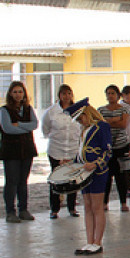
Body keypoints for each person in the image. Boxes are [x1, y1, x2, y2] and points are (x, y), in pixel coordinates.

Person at [66, 99, 111, 255]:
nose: (80, 121)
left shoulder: (102, 127)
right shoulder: (83, 130)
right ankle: (89, 241)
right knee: (87, 205)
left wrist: (96, 163)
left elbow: (108, 151)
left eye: (80, 117)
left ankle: (97, 242)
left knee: (97, 206)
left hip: (97, 172)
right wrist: (72, 163)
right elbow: (80, 152)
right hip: (84, 173)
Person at [0, 80, 38, 223]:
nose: (18, 94)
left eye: (20, 91)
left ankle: (23, 209)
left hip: (27, 150)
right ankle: (10, 211)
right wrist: (25, 128)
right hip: (11, 151)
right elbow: (8, 128)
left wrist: (20, 124)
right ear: (10, 93)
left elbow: (35, 124)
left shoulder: (28, 109)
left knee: (23, 181)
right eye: (15, 92)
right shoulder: (4, 110)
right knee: (12, 181)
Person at [41, 84, 81, 219]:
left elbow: (82, 129)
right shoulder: (51, 111)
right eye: (64, 94)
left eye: (69, 93)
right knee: (57, 180)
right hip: (56, 150)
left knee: (73, 180)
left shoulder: (78, 110)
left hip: (73, 150)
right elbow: (45, 130)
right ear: (59, 95)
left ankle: (72, 208)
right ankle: (54, 209)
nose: (66, 96)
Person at [98, 84, 130, 212]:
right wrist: (114, 120)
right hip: (106, 147)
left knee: (121, 176)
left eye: (113, 93)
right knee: (106, 175)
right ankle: (104, 202)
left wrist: (108, 121)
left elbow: (123, 124)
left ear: (118, 95)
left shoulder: (124, 109)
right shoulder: (100, 110)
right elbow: (100, 126)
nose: (110, 95)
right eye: (108, 93)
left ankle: (123, 202)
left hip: (121, 146)